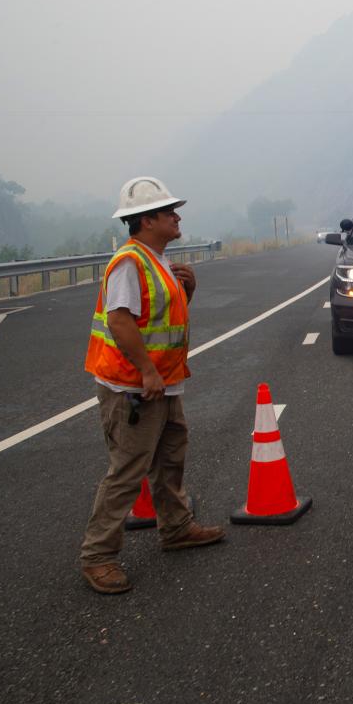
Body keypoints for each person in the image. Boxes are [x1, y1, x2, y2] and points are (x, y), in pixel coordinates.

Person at [80, 176, 224, 594]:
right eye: (168, 212)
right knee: (128, 471)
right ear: (146, 220)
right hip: (134, 388)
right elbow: (120, 320)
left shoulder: (157, 259)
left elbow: (162, 321)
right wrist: (146, 372)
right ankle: (98, 556)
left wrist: (189, 290)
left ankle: (176, 528)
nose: (177, 217)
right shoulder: (129, 262)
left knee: (170, 457)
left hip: (163, 384)